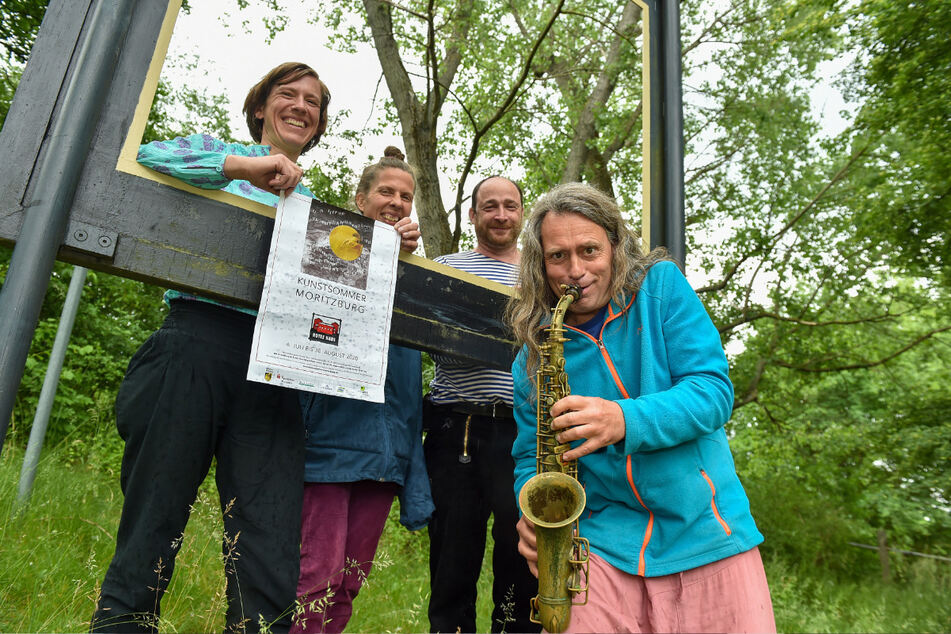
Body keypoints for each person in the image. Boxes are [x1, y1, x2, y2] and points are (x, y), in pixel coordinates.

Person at [90, 62, 331, 634]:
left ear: (319, 123)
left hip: (275, 366)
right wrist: (246, 166)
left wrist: (383, 241)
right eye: (287, 95)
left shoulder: (313, 203)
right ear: (259, 109)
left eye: (313, 102)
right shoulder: (216, 157)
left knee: (270, 532)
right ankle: (124, 622)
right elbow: (148, 157)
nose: (300, 106)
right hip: (194, 341)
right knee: (155, 509)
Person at [506, 182, 776, 633]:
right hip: (601, 546)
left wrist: (624, 419)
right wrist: (530, 513)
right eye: (558, 256)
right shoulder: (532, 356)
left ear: (615, 245)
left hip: (705, 532)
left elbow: (712, 391)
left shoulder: (661, 288)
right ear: (540, 262)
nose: (575, 270)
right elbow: (528, 458)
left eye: (589, 250)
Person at [290, 147, 430, 634]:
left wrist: (403, 261)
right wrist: (374, 251)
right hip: (330, 444)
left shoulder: (417, 271)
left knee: (348, 583)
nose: (396, 202)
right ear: (360, 199)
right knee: (315, 578)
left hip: (386, 452)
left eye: (406, 197)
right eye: (386, 192)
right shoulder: (325, 249)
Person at [424, 176, 541, 633]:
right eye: (489, 206)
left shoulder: (542, 276)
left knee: (521, 560)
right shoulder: (445, 268)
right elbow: (430, 341)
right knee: (452, 559)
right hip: (459, 428)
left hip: (525, 435)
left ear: (521, 214)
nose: (501, 215)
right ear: (472, 215)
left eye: (510, 206)